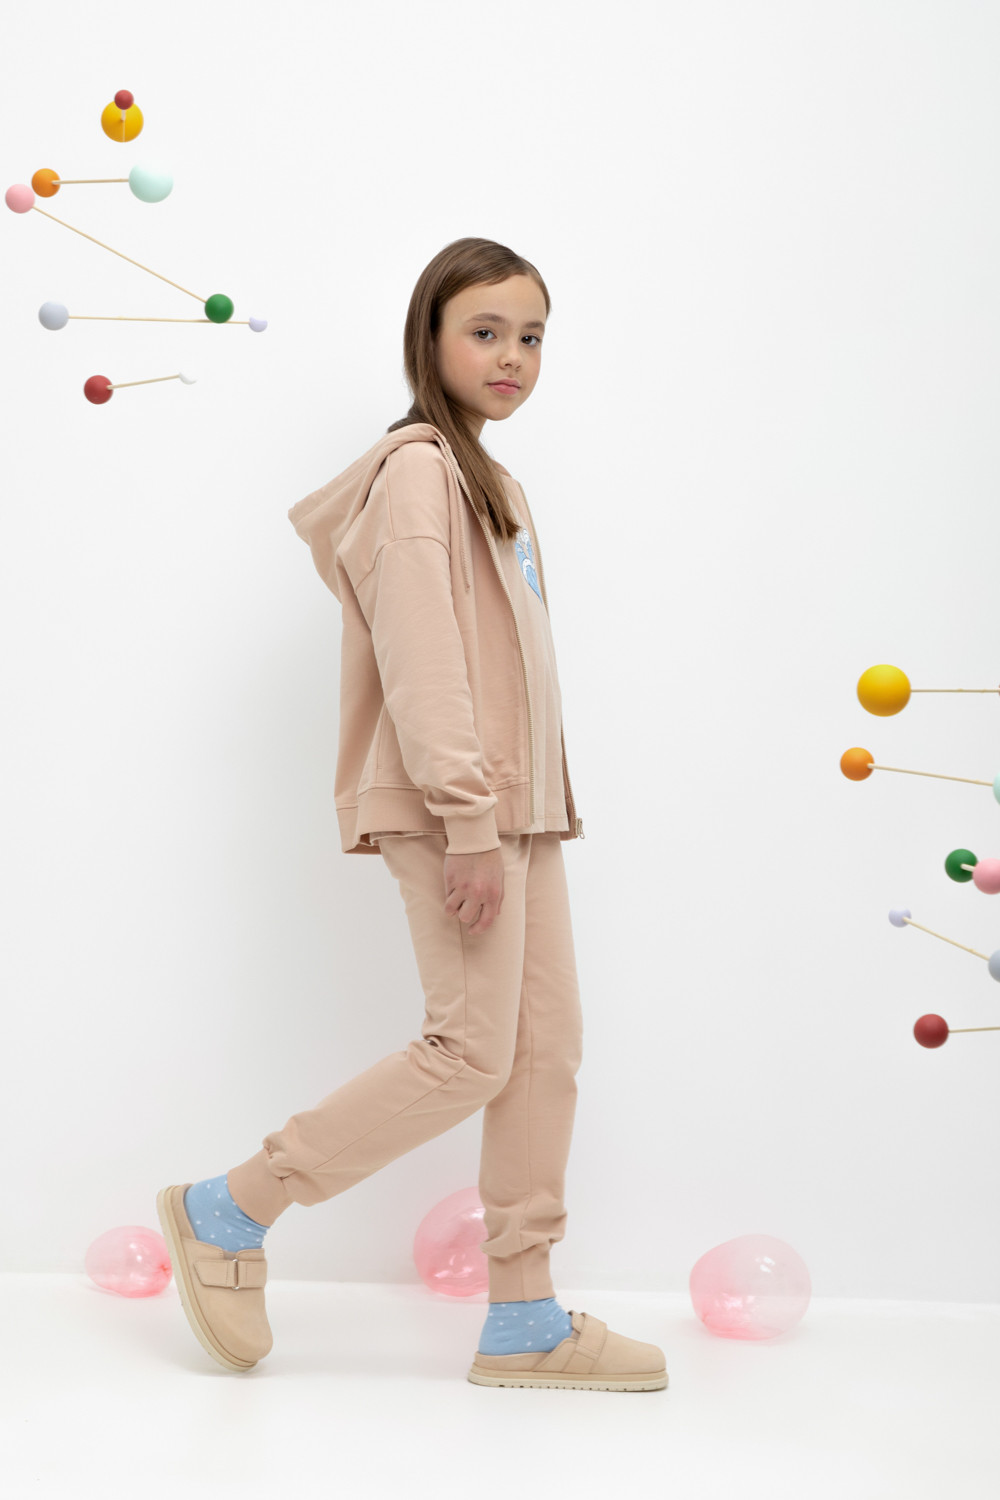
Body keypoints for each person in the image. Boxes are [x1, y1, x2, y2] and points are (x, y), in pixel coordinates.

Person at [157, 237, 667, 1392]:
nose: (512, 356)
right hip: (461, 810)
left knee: (541, 1053)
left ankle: (524, 1317)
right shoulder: (419, 474)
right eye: (485, 332)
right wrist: (469, 821)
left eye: (531, 336)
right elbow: (426, 660)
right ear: (427, 340)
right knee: (470, 1051)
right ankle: (230, 1208)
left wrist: (521, 811)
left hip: (519, 808)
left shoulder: (495, 484)